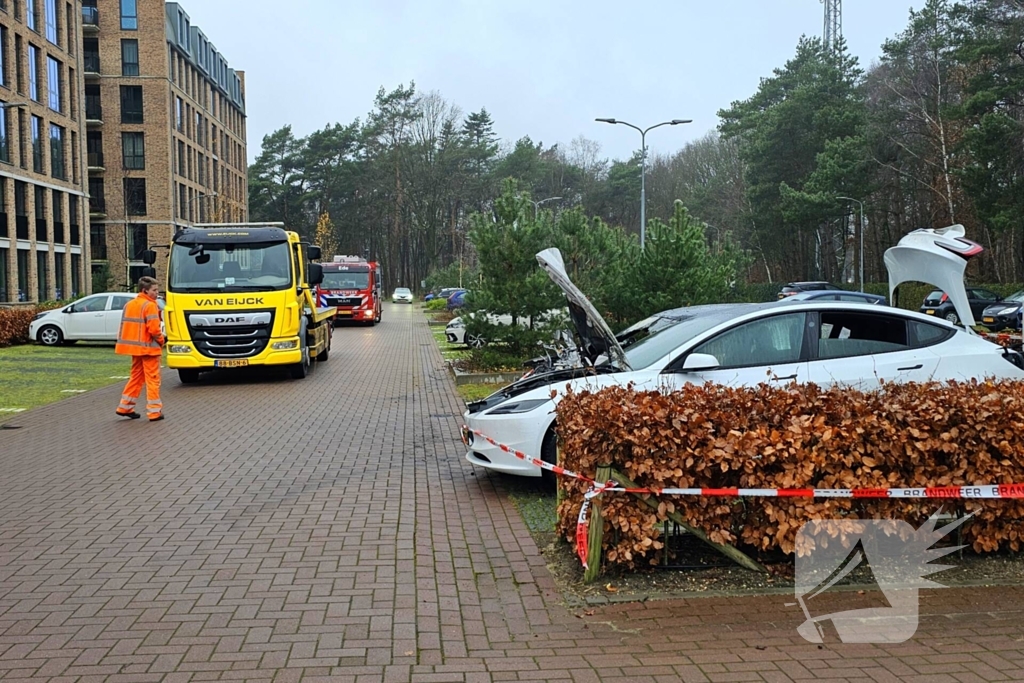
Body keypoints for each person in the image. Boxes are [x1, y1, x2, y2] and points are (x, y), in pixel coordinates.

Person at [115, 276, 166, 422]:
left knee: (136, 378)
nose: (157, 293)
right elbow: (154, 329)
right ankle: (154, 412)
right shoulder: (150, 306)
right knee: (153, 380)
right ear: (145, 291)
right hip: (149, 349)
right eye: (154, 290)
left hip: (135, 349)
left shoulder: (130, 305)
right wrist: (162, 340)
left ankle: (125, 407)